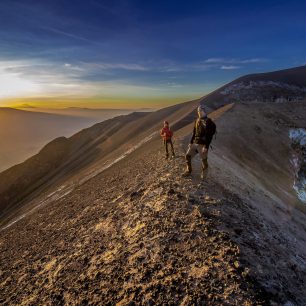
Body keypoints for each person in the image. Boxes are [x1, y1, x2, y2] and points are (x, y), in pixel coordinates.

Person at [183, 105, 216, 179]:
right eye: (198, 111)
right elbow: (194, 132)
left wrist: (206, 146)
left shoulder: (208, 122)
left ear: (204, 111)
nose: (199, 112)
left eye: (201, 111)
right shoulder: (197, 120)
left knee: (204, 161)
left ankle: (204, 176)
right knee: (187, 156)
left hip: (203, 145)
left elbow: (209, 136)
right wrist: (191, 142)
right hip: (195, 142)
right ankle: (189, 170)